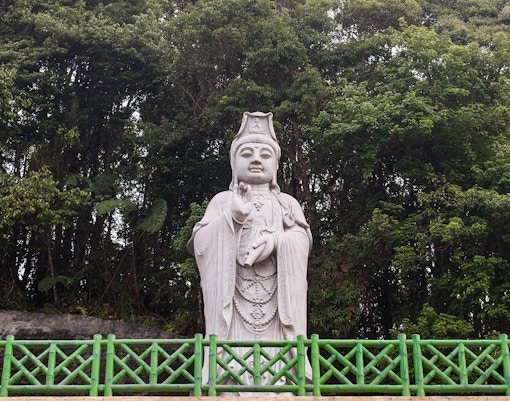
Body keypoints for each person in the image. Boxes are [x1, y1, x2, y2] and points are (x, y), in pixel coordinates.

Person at [187, 111, 312, 393]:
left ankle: (283, 381)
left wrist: (278, 242)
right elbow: (202, 244)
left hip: (278, 306)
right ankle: (229, 381)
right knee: (233, 362)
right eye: (247, 153)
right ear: (234, 164)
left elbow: (302, 242)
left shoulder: (287, 204)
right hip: (234, 305)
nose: (256, 159)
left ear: (276, 165)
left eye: (265, 155)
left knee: (278, 365)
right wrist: (234, 217)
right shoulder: (223, 201)